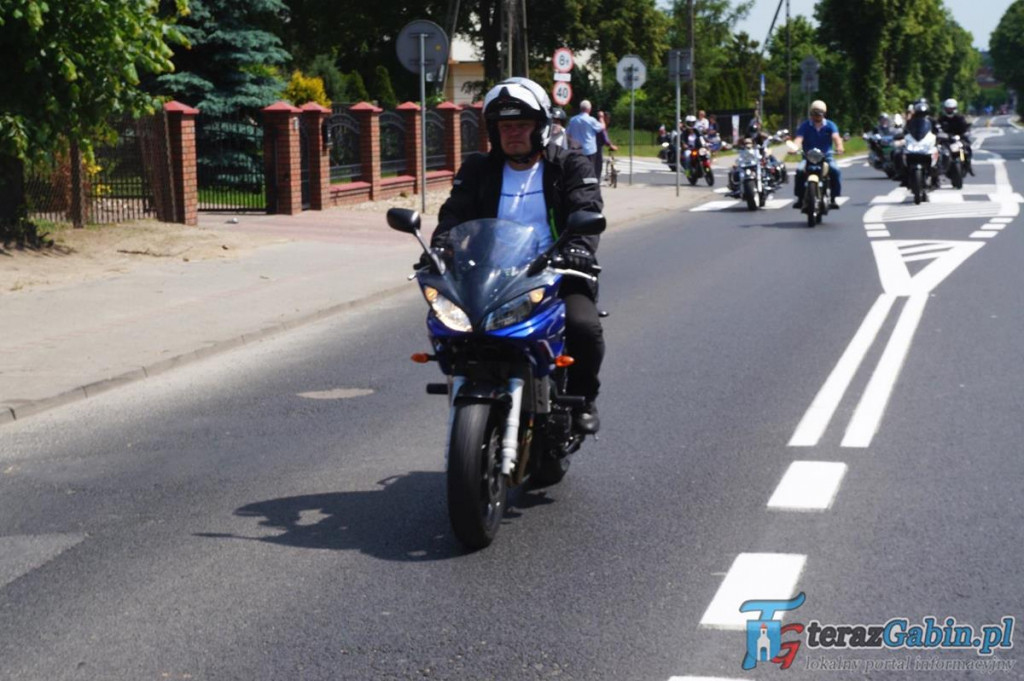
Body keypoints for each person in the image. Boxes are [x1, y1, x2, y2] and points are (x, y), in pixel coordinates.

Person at [432, 77, 605, 433]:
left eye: (522, 125)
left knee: (584, 326)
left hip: (555, 271)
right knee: (452, 325)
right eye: (505, 126)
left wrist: (577, 249)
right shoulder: (479, 169)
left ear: (540, 126)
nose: (512, 133)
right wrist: (441, 245)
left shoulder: (568, 165)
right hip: (491, 274)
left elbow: (586, 207)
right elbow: (454, 213)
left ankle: (583, 398)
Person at [791, 99, 844, 209]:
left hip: (826, 156)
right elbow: (799, 139)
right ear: (811, 114)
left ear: (824, 114)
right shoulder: (805, 125)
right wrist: (794, 148)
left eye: (819, 114)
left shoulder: (830, 125)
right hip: (808, 157)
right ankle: (800, 198)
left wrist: (839, 147)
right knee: (800, 171)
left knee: (835, 170)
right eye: (814, 114)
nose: (816, 117)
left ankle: (833, 198)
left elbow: (836, 137)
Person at [566, 99, 606, 179]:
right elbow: (602, 127)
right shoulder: (591, 120)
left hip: (576, 150)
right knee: (589, 171)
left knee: (577, 170)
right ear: (589, 109)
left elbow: (567, 133)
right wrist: (601, 118)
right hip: (589, 150)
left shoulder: (573, 120)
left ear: (580, 108)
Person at [937, 97, 973, 175]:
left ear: (955, 108)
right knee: (938, 151)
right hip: (946, 140)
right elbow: (937, 128)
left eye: (951, 109)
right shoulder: (942, 119)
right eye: (948, 109)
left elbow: (965, 127)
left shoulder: (960, 118)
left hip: (959, 138)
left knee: (967, 149)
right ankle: (939, 170)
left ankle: (968, 165)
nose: (950, 111)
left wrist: (965, 132)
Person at [595, 111, 619, 182]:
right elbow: (605, 137)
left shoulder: (598, 125)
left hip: (597, 146)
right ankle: (597, 181)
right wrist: (611, 145)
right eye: (608, 118)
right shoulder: (601, 125)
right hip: (597, 147)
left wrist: (610, 143)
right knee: (598, 165)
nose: (609, 120)